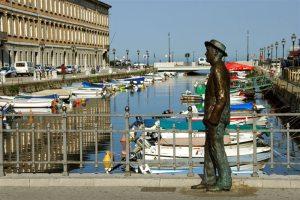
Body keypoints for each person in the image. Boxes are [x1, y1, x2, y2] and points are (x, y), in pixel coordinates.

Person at [192, 39, 232, 191]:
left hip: (217, 117)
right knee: (209, 148)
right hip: (212, 116)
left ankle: (225, 180)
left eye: (207, 50)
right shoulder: (216, 68)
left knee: (216, 148)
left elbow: (222, 97)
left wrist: (213, 118)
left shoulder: (218, 69)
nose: (205, 53)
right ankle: (209, 179)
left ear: (215, 52)